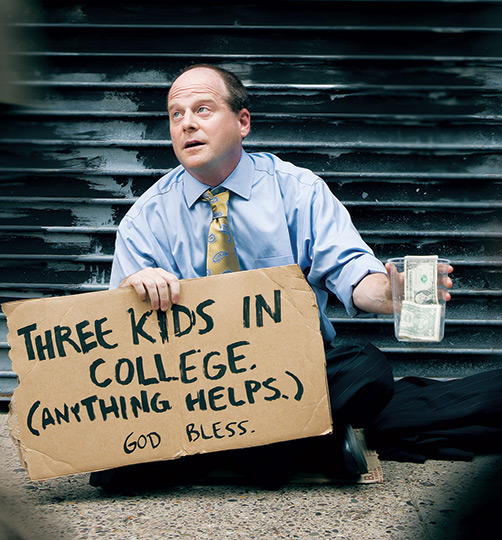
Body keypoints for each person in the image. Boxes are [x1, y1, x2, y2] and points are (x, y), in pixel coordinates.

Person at [96, 64, 452, 489]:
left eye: (203, 109)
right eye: (176, 114)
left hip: (288, 375)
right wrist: (134, 288)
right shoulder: (145, 217)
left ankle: (225, 456)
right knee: (109, 466)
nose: (187, 123)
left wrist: (390, 294)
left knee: (366, 369)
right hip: (194, 387)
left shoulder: (298, 190)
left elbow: (352, 271)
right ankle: (291, 450)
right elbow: (122, 338)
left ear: (242, 121)